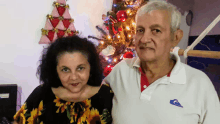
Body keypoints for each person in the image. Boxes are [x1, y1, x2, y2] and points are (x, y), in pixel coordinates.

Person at [103, 1, 220, 124]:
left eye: (156, 30)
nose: (144, 39)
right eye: (140, 30)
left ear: (175, 37)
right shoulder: (121, 70)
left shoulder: (199, 84)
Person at [13, 36, 113, 124]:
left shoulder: (106, 95)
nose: (73, 77)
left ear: (91, 68)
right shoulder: (41, 94)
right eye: (65, 69)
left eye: (80, 68)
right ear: (55, 71)